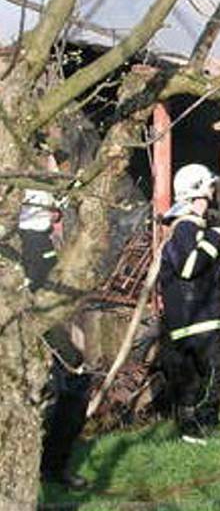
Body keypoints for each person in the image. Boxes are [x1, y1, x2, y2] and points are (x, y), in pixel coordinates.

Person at [158, 163, 220, 444]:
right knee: (213, 372)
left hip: (196, 318)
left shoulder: (195, 227)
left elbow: (214, 269)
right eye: (209, 186)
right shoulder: (185, 227)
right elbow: (190, 268)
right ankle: (202, 425)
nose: (213, 191)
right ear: (199, 191)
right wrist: (214, 236)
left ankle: (189, 431)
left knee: (194, 379)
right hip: (196, 318)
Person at [18, 155, 90, 489]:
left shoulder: (32, 242)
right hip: (43, 342)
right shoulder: (32, 247)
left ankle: (49, 467)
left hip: (46, 338)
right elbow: (40, 310)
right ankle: (51, 467)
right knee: (72, 391)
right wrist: (69, 355)